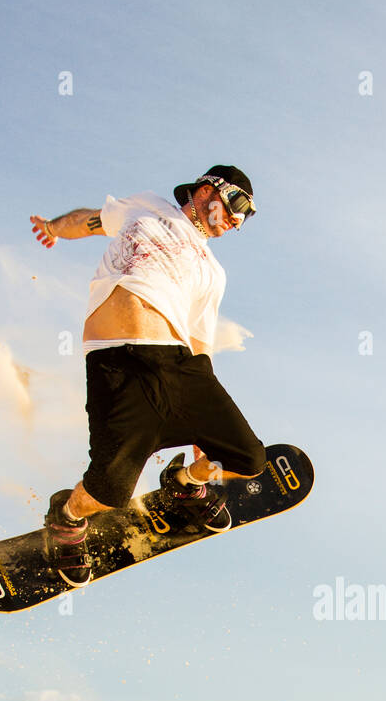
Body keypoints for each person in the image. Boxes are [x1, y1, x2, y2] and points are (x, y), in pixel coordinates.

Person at [29, 166, 266, 586]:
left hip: (179, 366)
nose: (234, 222)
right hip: (117, 364)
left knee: (248, 460)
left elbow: (200, 343)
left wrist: (202, 424)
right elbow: (88, 220)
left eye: (242, 221)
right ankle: (66, 517)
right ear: (209, 190)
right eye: (234, 209)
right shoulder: (148, 208)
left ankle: (184, 483)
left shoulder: (213, 273)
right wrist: (52, 227)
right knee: (107, 493)